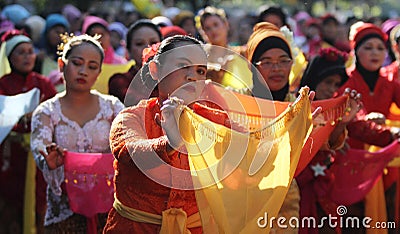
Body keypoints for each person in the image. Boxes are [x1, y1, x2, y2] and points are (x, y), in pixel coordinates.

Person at [103, 35, 208, 233]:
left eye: (200, 71)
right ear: (155, 70)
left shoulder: (213, 121)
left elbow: (253, 140)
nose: (192, 76)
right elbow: (130, 150)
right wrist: (170, 143)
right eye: (182, 66)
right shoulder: (131, 117)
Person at [30, 34, 124, 233]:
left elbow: (126, 145)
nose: (83, 71)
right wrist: (48, 159)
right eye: (77, 63)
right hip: (65, 211)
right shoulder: (46, 111)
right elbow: (40, 149)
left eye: (92, 66)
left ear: (99, 72)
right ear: (61, 64)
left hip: (110, 209)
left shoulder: (113, 107)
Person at [337, 22, 400, 233]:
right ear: (355, 51)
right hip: (349, 162)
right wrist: (389, 133)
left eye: (380, 48)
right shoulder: (345, 81)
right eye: (368, 47)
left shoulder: (388, 82)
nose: (375, 53)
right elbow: (354, 122)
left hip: (382, 161)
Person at [0, 29, 57, 233]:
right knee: (11, 200)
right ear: (9, 57)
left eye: (30, 51)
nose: (27, 56)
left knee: (38, 199)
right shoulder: (2, 85)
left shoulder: (43, 83)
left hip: (38, 155)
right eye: (21, 52)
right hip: (10, 153)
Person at [196, 6, 252, 91]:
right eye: (207, 28)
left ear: (226, 24)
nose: (213, 30)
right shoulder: (199, 54)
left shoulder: (240, 53)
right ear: (203, 32)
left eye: (216, 25)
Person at [108, 19, 162, 104]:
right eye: (139, 43)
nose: (147, 48)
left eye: (154, 43)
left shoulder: (170, 80)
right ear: (129, 50)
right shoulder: (120, 81)